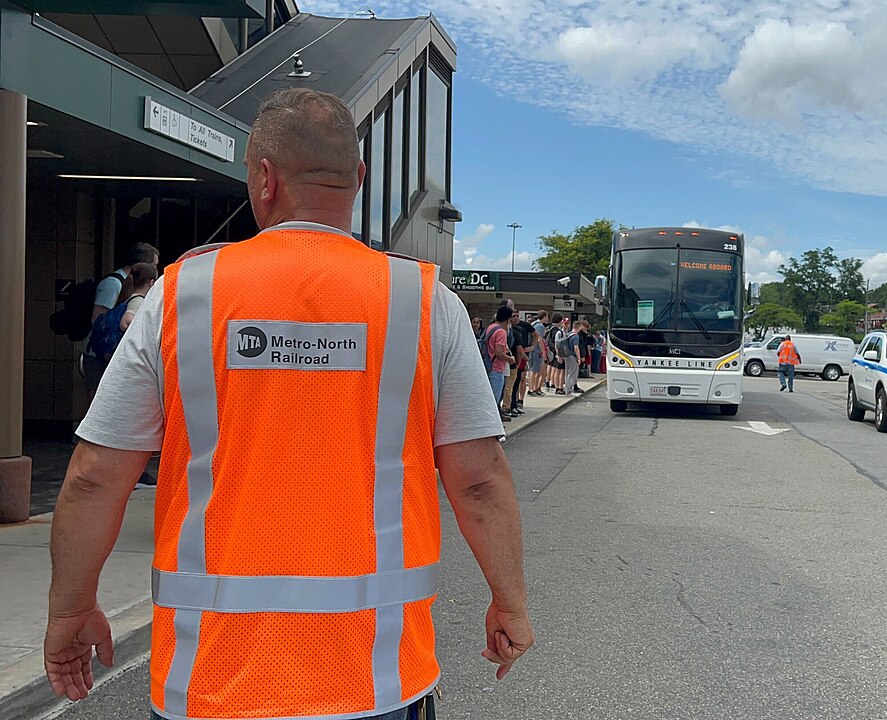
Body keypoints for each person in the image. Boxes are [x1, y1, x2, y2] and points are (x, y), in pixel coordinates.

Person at [44, 88, 532, 720]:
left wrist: (71, 608)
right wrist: (509, 600)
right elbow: (479, 479)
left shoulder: (181, 296)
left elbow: (92, 477)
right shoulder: (421, 300)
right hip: (375, 677)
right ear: (357, 180)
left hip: (212, 680)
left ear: (264, 178)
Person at [86, 242, 160, 392]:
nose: (156, 269)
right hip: (99, 353)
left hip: (109, 353)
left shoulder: (128, 286)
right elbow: (98, 319)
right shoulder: (114, 284)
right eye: (154, 265)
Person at [485, 305, 517, 421]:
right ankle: (491, 423)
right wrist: (510, 359)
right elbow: (498, 353)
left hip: (487, 365)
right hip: (497, 368)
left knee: (489, 397)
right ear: (508, 319)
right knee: (494, 398)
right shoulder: (501, 332)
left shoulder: (491, 327)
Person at [527, 310, 548, 397]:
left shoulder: (534, 324)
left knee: (534, 370)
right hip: (536, 350)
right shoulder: (540, 326)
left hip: (532, 349)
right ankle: (531, 389)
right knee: (534, 371)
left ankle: (533, 388)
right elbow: (539, 339)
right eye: (547, 316)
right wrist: (543, 352)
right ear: (544, 317)